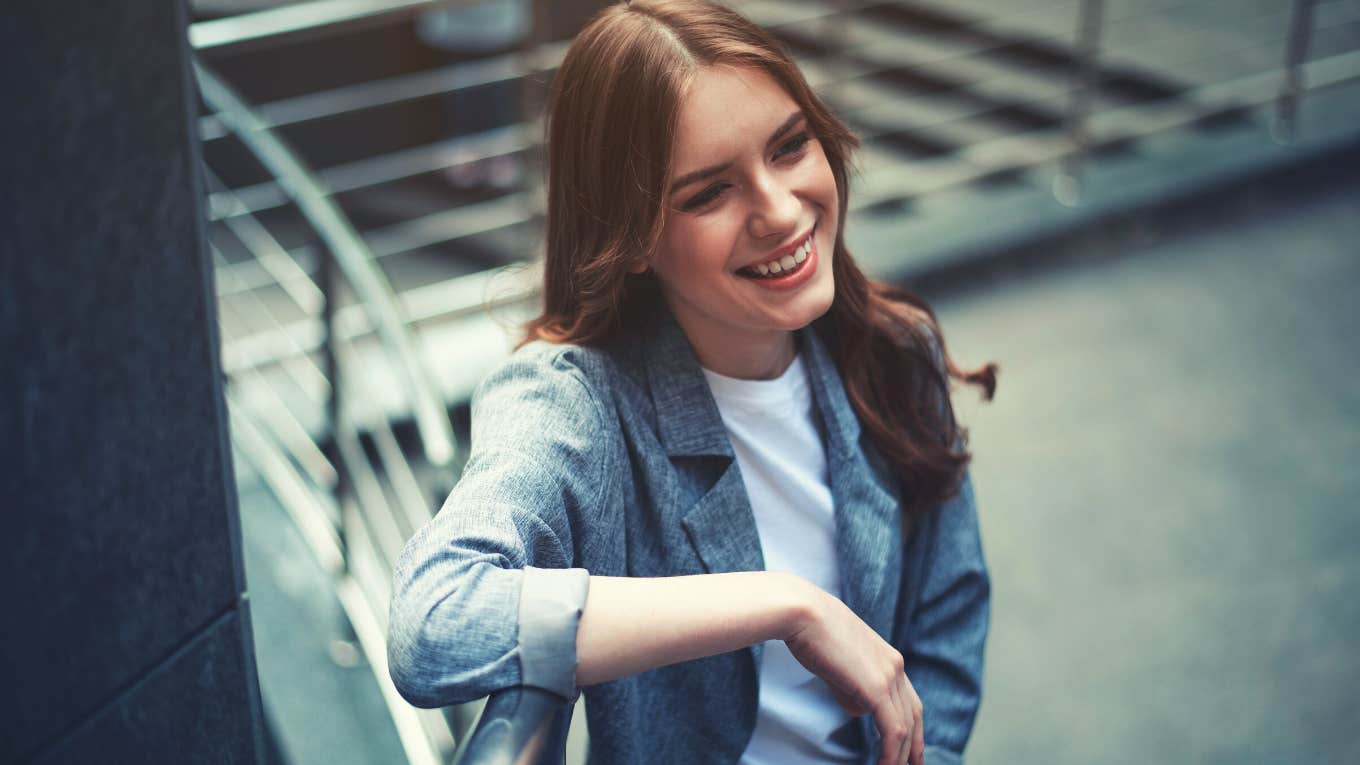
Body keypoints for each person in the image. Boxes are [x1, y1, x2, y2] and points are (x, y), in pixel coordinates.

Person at [386, 2, 997, 764]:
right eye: (709, 193)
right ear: (632, 235)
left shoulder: (896, 352)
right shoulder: (576, 401)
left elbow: (944, 641)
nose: (778, 211)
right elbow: (433, 622)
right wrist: (784, 605)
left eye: (789, 147)